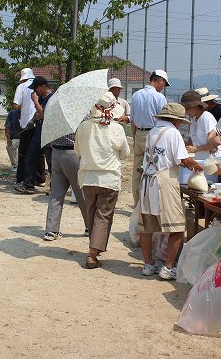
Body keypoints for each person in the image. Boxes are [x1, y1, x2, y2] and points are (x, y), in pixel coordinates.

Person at [138, 103, 202, 280]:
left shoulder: (152, 131)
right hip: (164, 180)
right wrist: (197, 166)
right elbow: (183, 159)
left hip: (147, 180)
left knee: (147, 226)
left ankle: (148, 264)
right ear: (176, 120)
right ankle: (168, 268)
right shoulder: (173, 133)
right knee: (177, 227)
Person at [75, 92, 130, 268]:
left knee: (92, 214)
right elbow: (125, 153)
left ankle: (95, 247)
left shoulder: (83, 127)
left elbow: (78, 151)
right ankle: (92, 253)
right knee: (103, 216)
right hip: (109, 178)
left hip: (87, 178)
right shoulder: (117, 129)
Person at [130, 69, 169, 205]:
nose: (163, 87)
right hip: (153, 135)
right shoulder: (159, 97)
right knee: (153, 170)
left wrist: (135, 138)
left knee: (137, 170)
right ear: (160, 80)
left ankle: (137, 203)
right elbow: (163, 120)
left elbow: (132, 120)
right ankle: (150, 204)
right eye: (164, 83)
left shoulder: (136, 95)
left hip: (139, 134)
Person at [43, 132, 89, 241]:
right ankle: (90, 226)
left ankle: (51, 230)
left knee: (56, 194)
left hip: (56, 153)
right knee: (81, 193)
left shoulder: (53, 121)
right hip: (73, 153)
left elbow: (49, 139)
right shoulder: (78, 121)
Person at [15, 76, 53, 194]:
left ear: (43, 86)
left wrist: (35, 101)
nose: (34, 91)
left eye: (36, 88)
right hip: (38, 132)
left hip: (48, 134)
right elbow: (38, 113)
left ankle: (55, 187)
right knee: (30, 157)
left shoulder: (52, 98)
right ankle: (28, 185)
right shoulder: (41, 98)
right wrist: (32, 121)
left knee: (51, 162)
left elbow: (44, 115)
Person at [180, 90, 221, 183]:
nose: (186, 111)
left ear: (197, 106)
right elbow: (193, 141)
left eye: (188, 108)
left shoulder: (206, 117)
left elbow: (214, 142)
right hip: (203, 161)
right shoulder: (194, 121)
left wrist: (195, 149)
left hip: (212, 163)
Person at [13, 68, 46, 186]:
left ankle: (22, 178)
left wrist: (23, 108)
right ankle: (40, 179)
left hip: (26, 124)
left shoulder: (21, 87)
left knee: (24, 153)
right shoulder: (39, 86)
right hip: (40, 123)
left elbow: (15, 105)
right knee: (39, 153)